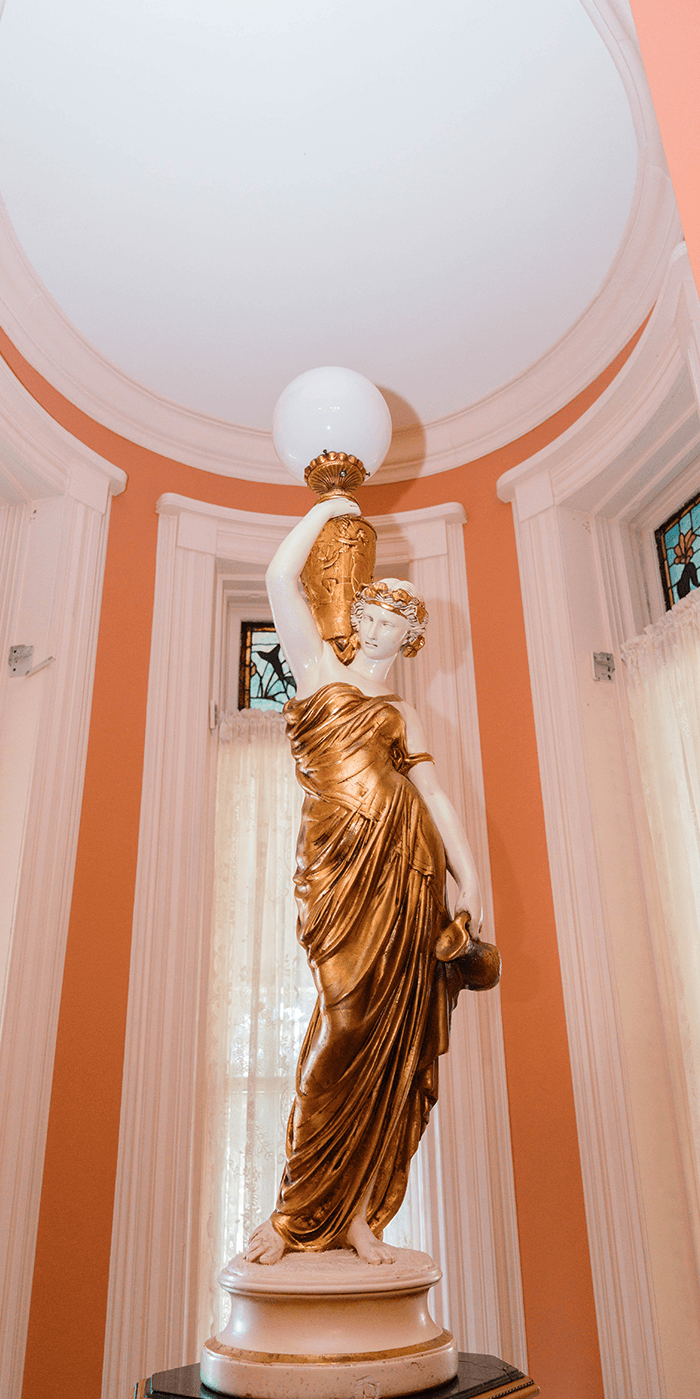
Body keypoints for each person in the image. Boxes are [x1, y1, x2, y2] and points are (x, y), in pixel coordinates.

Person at [246, 494, 484, 1266]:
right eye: (371, 615)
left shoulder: (405, 714)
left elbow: (434, 795)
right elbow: (282, 577)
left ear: (412, 641)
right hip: (336, 870)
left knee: (390, 1037)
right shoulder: (317, 666)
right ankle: (291, 1214)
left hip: (404, 866)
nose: (376, 631)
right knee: (343, 1025)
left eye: (393, 625)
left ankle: (358, 1212)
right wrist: (328, 512)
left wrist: (468, 875)